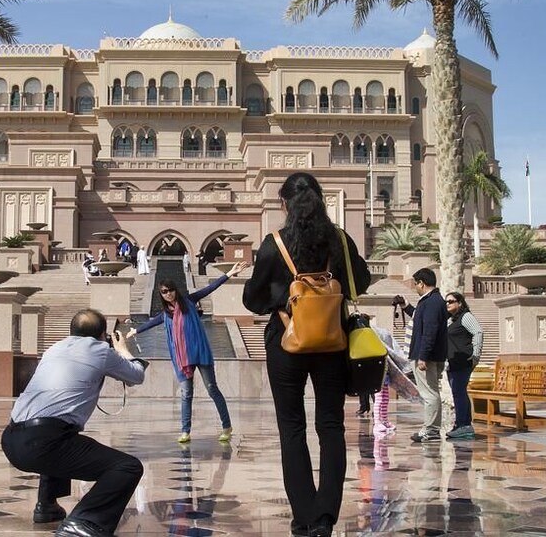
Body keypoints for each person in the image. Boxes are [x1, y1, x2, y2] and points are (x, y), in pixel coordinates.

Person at [242, 172, 370, 537]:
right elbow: (360, 282)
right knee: (331, 427)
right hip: (332, 344)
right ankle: (326, 516)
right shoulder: (339, 241)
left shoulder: (274, 244)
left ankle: (305, 517)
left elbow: (252, 299)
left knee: (292, 429)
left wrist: (281, 297)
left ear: (285, 204)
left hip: (286, 344)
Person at [1, 309, 149, 537]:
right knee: (127, 467)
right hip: (42, 443)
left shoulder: (55, 348)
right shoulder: (101, 350)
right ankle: (84, 521)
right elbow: (136, 375)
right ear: (102, 334)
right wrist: (122, 351)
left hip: (12, 439)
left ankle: (46, 506)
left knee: (62, 438)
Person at [128, 260, 249, 444]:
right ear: (161, 294)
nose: (169, 294)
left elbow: (210, 289)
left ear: (176, 289)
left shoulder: (189, 301)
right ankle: (185, 431)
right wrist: (135, 331)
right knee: (186, 394)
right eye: (164, 292)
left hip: (200, 353)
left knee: (212, 389)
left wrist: (230, 273)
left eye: (170, 290)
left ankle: (226, 426)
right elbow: (150, 323)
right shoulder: (165, 314)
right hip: (182, 359)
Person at [394, 268, 448, 443]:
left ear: (422, 283)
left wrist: (423, 356)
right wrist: (405, 306)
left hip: (427, 357)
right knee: (430, 392)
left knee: (429, 393)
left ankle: (431, 430)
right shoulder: (430, 301)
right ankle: (431, 428)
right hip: (427, 354)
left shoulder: (433, 302)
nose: (415, 287)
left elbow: (430, 330)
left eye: (416, 283)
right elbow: (420, 318)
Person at [445, 291, 482, 440]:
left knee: (459, 392)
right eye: (446, 302)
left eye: (451, 301)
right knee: (458, 392)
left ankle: (464, 425)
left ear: (460, 303)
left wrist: (475, 355)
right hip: (453, 362)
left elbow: (478, 332)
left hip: (463, 361)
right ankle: (463, 424)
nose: (448, 304)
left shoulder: (465, 316)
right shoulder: (451, 320)